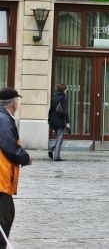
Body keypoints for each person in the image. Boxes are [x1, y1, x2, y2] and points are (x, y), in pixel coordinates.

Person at [0, 87, 32, 248]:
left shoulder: (4, 117)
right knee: (4, 218)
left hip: (3, 179)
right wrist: (25, 157)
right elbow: (9, 146)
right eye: (17, 101)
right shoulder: (4, 119)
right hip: (1, 178)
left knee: (8, 214)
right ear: (13, 104)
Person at [47, 84, 70, 161]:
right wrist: (67, 122)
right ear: (63, 90)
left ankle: (52, 148)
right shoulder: (63, 98)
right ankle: (56, 157)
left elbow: (50, 110)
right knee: (60, 138)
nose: (67, 91)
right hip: (60, 121)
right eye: (66, 89)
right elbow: (65, 112)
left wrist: (49, 119)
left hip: (53, 121)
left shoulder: (54, 97)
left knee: (58, 137)